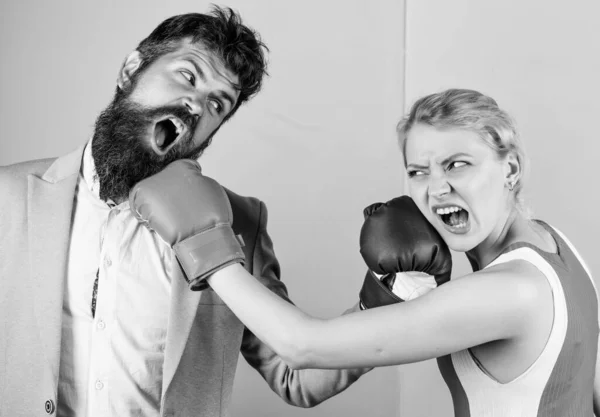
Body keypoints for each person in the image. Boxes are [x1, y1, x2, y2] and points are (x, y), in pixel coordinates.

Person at [132, 88, 600, 416]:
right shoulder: (556, 245)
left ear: (510, 167)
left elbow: (303, 347)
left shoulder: (505, 292)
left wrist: (207, 247)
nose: (437, 188)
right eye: (418, 171)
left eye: (458, 163)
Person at [0, 7, 370, 416]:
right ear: (131, 70)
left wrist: (389, 295)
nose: (195, 104)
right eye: (188, 76)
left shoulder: (238, 223)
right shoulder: (9, 196)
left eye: (217, 103)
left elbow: (296, 376)